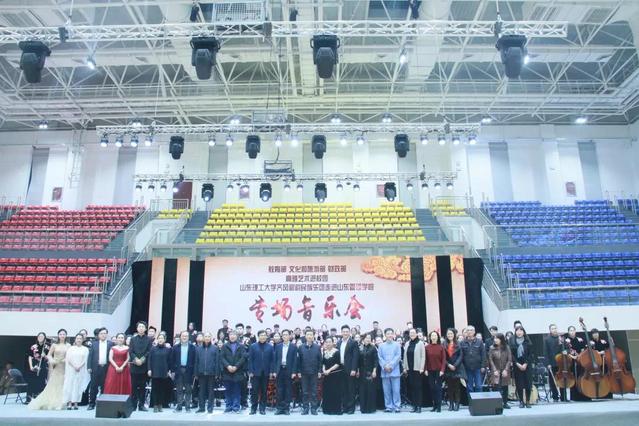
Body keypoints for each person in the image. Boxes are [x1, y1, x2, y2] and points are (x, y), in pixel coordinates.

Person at [29, 329, 70, 410]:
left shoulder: (68, 345)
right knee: (54, 384)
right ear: (58, 335)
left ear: (66, 335)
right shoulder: (54, 345)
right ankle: (54, 402)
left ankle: (61, 402)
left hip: (64, 367)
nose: (62, 336)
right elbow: (49, 355)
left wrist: (65, 360)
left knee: (63, 384)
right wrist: (52, 360)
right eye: (60, 334)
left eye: (64, 334)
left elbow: (70, 355)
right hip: (56, 366)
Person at [248, 330, 274, 415]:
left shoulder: (270, 347)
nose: (263, 337)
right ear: (258, 336)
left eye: (264, 335)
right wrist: (251, 371)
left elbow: (272, 361)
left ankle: (262, 408)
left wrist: (271, 371)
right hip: (255, 373)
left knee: (264, 391)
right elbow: (250, 360)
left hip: (266, 373)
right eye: (261, 335)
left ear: (266, 336)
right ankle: (253, 408)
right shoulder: (253, 346)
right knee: (254, 391)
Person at [273, 329, 297, 415]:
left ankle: (286, 408)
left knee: (288, 390)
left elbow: (295, 360)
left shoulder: (293, 346)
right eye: (283, 335)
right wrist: (274, 371)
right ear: (282, 336)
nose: (285, 336)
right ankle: (279, 408)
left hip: (289, 370)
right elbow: (275, 359)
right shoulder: (278, 346)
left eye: (286, 334)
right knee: (279, 390)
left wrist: (294, 372)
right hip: (279, 370)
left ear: (290, 336)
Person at [221, 330, 246, 413]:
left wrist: (236, 366)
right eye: (231, 334)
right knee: (228, 390)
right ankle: (228, 407)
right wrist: (228, 366)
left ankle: (236, 407)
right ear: (228, 336)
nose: (232, 336)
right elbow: (222, 357)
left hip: (238, 371)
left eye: (234, 335)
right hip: (227, 371)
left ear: (237, 336)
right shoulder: (224, 346)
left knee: (237, 390)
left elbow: (243, 358)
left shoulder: (241, 346)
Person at [63, 333, 90, 410]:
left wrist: (79, 366)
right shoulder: (71, 348)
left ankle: (76, 403)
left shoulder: (85, 349)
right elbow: (68, 359)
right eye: (77, 338)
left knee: (78, 386)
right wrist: (74, 366)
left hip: (80, 370)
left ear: (83, 340)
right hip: (71, 369)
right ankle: (69, 403)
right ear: (75, 339)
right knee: (70, 385)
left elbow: (85, 360)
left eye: (80, 338)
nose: (79, 340)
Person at [297, 329, 322, 415]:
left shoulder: (317, 347)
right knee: (305, 392)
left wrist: (319, 371)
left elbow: (320, 360)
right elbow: (298, 361)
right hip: (304, 373)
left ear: (313, 336)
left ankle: (314, 408)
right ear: (305, 336)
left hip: (314, 372)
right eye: (308, 335)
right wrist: (299, 371)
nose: (309, 336)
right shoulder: (301, 347)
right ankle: (305, 408)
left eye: (311, 335)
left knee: (314, 392)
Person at [194, 332, 219, 414]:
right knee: (201, 391)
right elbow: (196, 362)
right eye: (206, 336)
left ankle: (210, 408)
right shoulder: (198, 349)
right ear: (203, 338)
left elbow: (217, 361)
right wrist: (195, 373)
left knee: (211, 391)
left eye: (208, 336)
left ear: (211, 338)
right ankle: (201, 408)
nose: (207, 338)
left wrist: (217, 373)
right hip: (201, 373)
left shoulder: (215, 348)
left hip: (211, 373)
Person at [129, 321, 152, 411]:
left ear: (145, 329)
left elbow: (149, 351)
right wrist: (136, 359)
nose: (141, 328)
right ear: (137, 328)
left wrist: (142, 359)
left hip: (144, 366)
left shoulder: (149, 339)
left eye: (143, 327)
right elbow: (131, 351)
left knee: (143, 387)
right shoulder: (133, 339)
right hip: (134, 366)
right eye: (139, 327)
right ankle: (133, 405)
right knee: (134, 386)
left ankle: (141, 405)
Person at [87, 327, 112, 410]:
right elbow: (90, 356)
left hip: (106, 368)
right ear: (98, 335)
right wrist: (89, 367)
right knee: (93, 386)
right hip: (95, 368)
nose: (103, 335)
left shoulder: (111, 344)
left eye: (105, 333)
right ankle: (91, 404)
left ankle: (103, 404)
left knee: (104, 386)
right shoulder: (94, 344)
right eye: (101, 333)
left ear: (107, 334)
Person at [171, 330, 196, 412]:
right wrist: (172, 371)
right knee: (179, 390)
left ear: (188, 337)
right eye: (183, 336)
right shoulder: (175, 347)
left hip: (189, 371)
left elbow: (195, 360)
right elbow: (172, 360)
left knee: (188, 390)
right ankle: (179, 406)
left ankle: (188, 407)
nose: (184, 337)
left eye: (186, 336)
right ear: (180, 337)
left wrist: (194, 372)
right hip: (178, 370)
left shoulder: (193, 347)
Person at [337, 324, 359, 414]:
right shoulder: (339, 342)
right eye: (344, 332)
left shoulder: (353, 342)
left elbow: (355, 357)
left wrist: (354, 369)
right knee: (343, 389)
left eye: (347, 331)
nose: (345, 333)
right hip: (341, 369)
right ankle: (344, 407)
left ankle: (351, 408)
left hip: (350, 369)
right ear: (341, 332)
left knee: (351, 389)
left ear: (349, 332)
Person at [378, 328, 401, 413]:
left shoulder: (397, 345)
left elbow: (398, 356)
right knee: (386, 390)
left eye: (391, 333)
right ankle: (388, 406)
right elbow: (380, 357)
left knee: (396, 390)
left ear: (393, 335)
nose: (389, 335)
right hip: (385, 371)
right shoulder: (381, 346)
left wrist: (391, 365)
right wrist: (385, 366)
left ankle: (397, 406)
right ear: (385, 335)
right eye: (388, 333)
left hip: (394, 370)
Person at [509, 326, 533, 408]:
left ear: (524, 332)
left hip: (527, 365)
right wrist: (517, 364)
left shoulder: (528, 342)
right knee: (519, 384)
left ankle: (528, 401)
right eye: (517, 331)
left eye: (521, 330)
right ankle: (521, 401)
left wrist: (526, 363)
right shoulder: (512, 342)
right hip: (517, 365)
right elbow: (511, 355)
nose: (519, 332)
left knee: (528, 384)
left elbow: (530, 354)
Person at [148, 333, 172, 412]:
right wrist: (149, 369)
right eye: (159, 338)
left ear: (164, 340)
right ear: (157, 339)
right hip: (155, 371)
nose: (160, 339)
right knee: (155, 389)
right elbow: (149, 360)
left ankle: (160, 404)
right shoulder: (153, 349)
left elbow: (169, 361)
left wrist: (169, 370)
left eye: (162, 338)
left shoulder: (168, 349)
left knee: (162, 389)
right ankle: (155, 405)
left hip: (164, 372)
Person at [403, 328, 425, 413]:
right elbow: (404, 356)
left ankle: (419, 406)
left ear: (416, 334)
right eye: (410, 333)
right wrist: (405, 367)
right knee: (412, 387)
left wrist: (422, 368)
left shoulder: (420, 343)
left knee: (418, 387)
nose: (412, 334)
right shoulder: (407, 343)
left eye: (413, 333)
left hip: (418, 369)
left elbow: (423, 356)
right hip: (410, 369)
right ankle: (414, 406)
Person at [488, 333, 512, 409]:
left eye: (497, 338)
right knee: (496, 387)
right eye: (494, 338)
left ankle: (505, 402)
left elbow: (509, 359)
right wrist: (494, 370)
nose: (495, 340)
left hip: (505, 369)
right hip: (496, 369)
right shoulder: (492, 348)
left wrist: (506, 369)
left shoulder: (507, 347)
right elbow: (490, 360)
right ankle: (497, 403)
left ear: (501, 339)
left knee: (505, 387)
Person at [460, 325, 485, 394]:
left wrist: (483, 366)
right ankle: (470, 400)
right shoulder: (462, 343)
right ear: (466, 332)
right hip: (467, 368)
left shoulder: (479, 342)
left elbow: (483, 354)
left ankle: (479, 400)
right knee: (469, 387)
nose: (469, 332)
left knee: (478, 386)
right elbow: (461, 356)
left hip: (478, 367)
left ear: (474, 332)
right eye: (468, 330)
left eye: (471, 330)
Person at [321, 337, 343, 415]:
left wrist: (329, 370)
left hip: (335, 375)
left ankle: (336, 410)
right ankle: (327, 410)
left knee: (335, 392)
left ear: (333, 343)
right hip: (327, 376)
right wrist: (324, 370)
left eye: (330, 342)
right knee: (327, 392)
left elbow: (337, 364)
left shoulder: (337, 352)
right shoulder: (324, 352)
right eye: (327, 342)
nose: (328, 343)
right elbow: (323, 363)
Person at [565, 325, 587, 401]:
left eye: (573, 330)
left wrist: (579, 356)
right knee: (573, 377)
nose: (572, 332)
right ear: (568, 332)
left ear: (575, 331)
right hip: (571, 361)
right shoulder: (566, 340)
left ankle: (583, 394)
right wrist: (572, 356)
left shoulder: (580, 339)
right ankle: (575, 396)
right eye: (570, 330)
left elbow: (583, 349)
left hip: (580, 360)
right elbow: (565, 351)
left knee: (582, 376)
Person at [425, 331, 446, 412]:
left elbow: (444, 360)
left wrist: (442, 370)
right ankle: (434, 405)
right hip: (430, 370)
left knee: (438, 388)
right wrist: (425, 369)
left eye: (435, 335)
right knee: (432, 388)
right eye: (432, 336)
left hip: (439, 371)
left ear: (437, 337)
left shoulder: (441, 347)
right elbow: (425, 360)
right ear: (430, 337)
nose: (433, 337)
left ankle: (439, 406)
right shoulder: (427, 347)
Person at [543, 324, 565, 402]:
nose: (554, 330)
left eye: (555, 328)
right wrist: (548, 363)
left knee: (562, 380)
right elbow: (545, 352)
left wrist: (565, 350)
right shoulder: (547, 339)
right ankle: (555, 397)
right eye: (552, 328)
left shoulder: (561, 338)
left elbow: (566, 348)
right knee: (552, 381)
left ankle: (563, 396)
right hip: (552, 362)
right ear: (550, 330)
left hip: (561, 363)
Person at [25, 332, 49, 402]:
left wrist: (45, 356)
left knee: (41, 382)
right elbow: (30, 357)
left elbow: (49, 358)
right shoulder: (33, 346)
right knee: (32, 381)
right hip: (34, 366)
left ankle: (39, 399)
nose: (40, 338)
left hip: (43, 366)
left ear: (44, 338)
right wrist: (31, 366)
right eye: (39, 336)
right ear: (37, 337)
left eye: (42, 337)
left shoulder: (47, 347)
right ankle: (29, 399)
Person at [444, 328, 463, 411]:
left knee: (457, 387)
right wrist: (448, 365)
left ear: (454, 335)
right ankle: (451, 404)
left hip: (456, 368)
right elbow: (443, 357)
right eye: (448, 334)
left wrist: (455, 365)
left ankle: (457, 404)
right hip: (448, 368)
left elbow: (460, 356)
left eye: (451, 334)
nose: (450, 335)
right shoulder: (444, 344)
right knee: (449, 387)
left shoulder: (458, 343)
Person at [358, 333, 378, 413]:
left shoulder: (373, 348)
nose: (368, 339)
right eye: (366, 338)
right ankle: (363, 408)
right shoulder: (360, 348)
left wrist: (374, 371)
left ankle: (371, 408)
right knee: (362, 390)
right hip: (362, 371)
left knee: (370, 390)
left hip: (370, 371)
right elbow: (358, 361)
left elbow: (376, 361)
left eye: (369, 338)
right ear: (363, 339)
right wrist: (358, 371)